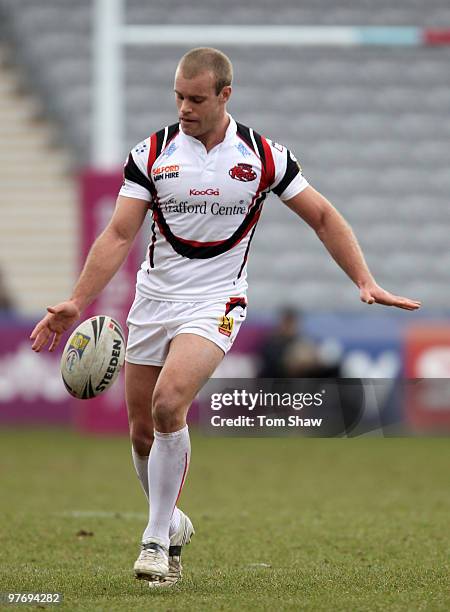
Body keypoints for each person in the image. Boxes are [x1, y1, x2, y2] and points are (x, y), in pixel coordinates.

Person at [30, 47, 421, 587]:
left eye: (195, 98)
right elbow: (119, 234)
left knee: (171, 404)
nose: (184, 108)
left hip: (218, 302)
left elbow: (324, 217)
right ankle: (175, 524)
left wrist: (364, 279)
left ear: (224, 95)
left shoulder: (263, 155)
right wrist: (77, 300)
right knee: (142, 433)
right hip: (153, 301)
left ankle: (155, 542)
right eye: (178, 97)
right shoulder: (153, 152)